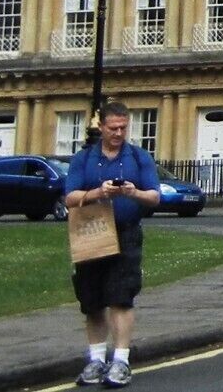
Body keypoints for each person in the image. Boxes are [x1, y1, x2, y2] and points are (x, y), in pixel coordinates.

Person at [64, 102, 158, 388]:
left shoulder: (139, 157)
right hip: (91, 231)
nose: (119, 133)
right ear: (101, 127)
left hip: (126, 232)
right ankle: (95, 360)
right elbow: (69, 197)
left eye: (123, 128)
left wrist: (133, 192)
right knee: (91, 300)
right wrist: (97, 192)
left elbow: (154, 197)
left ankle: (121, 360)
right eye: (113, 128)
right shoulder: (84, 159)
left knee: (121, 296)